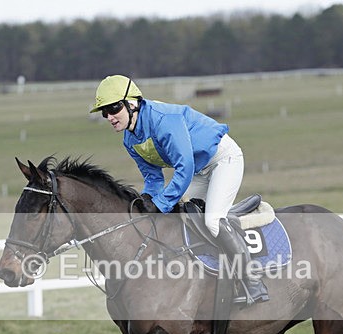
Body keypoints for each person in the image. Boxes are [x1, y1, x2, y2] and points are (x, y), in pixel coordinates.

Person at [90, 74, 268, 305]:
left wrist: (161, 204)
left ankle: (253, 281)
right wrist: (146, 201)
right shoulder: (129, 139)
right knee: (187, 222)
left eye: (113, 108)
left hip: (223, 159)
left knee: (212, 220)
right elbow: (153, 178)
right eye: (104, 112)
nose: (110, 117)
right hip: (198, 170)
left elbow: (184, 167)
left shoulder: (164, 120)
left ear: (132, 103)